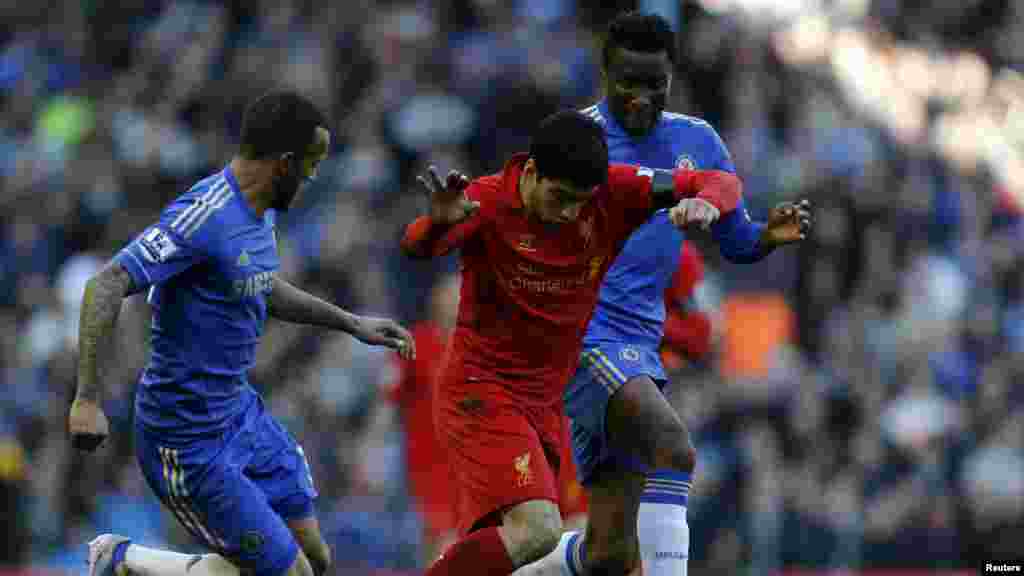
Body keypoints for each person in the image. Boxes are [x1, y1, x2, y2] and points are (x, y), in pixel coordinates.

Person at [67, 91, 416, 576]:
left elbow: (261, 287)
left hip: (239, 413)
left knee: (315, 558)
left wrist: (350, 323)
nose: (315, 175)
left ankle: (127, 563)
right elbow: (107, 282)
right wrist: (86, 397)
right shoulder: (204, 217)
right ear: (285, 163)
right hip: (185, 439)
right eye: (312, 164)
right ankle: (128, 561)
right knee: (287, 572)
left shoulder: (262, 211)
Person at [514, 12, 812, 576]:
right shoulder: (576, 140)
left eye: (656, 83)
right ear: (605, 73)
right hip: (581, 333)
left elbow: (738, 237)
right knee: (673, 448)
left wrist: (767, 237)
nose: (643, 97)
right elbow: (527, 225)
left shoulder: (696, 140)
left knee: (609, 554)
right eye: (629, 81)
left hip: (638, 344)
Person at [400, 108, 758, 576]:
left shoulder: (616, 193)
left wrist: (707, 199)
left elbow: (720, 182)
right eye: (560, 198)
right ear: (530, 173)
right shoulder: (486, 201)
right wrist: (437, 225)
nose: (569, 213)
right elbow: (416, 246)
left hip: (549, 404)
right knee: (540, 528)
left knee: (598, 551)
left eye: (580, 202)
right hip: (483, 389)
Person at [385, 272, 462, 560]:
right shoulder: (415, 343)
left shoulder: (478, 344)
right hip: (429, 461)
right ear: (435, 302)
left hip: (471, 458)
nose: (453, 303)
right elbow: (390, 392)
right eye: (447, 296)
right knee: (440, 537)